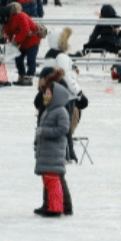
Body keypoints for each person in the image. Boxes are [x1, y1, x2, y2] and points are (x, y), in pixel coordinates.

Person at [33, 77, 74, 217]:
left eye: (49, 93)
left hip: (54, 151)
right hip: (46, 150)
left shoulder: (60, 111)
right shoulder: (48, 110)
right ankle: (51, 205)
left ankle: (56, 208)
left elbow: (63, 129)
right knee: (49, 179)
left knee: (53, 180)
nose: (46, 96)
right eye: (46, 93)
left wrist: (44, 132)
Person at [0, 1, 42, 85]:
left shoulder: (21, 16)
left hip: (32, 40)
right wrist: (6, 38)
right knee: (18, 59)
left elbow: (25, 31)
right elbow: (8, 32)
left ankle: (29, 77)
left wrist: (15, 41)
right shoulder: (7, 19)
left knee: (31, 59)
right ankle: (22, 76)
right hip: (21, 42)